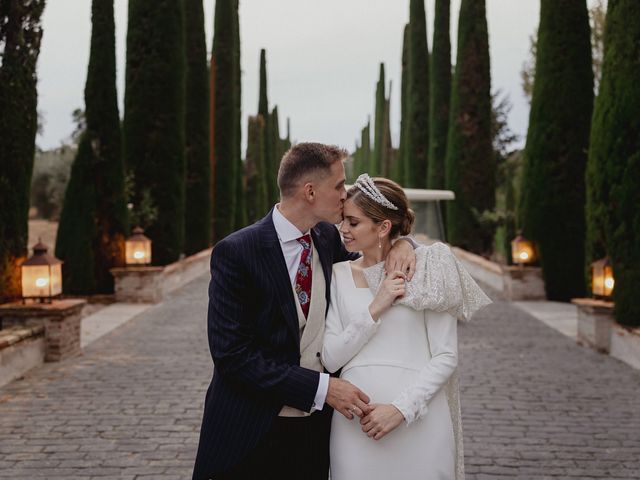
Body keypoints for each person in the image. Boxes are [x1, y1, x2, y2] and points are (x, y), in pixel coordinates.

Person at [192, 145, 417, 480]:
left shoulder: (328, 238)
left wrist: (402, 244)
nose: (346, 194)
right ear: (310, 192)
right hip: (250, 429)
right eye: (340, 186)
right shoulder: (237, 252)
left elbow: (376, 243)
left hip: (314, 433)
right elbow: (233, 356)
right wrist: (323, 388)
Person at [322, 174, 492, 480]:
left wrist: (401, 409)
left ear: (384, 227)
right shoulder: (338, 274)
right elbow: (331, 358)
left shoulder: (430, 266)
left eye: (353, 222)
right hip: (355, 428)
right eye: (343, 220)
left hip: (420, 425)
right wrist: (376, 306)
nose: (343, 229)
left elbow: (445, 356)